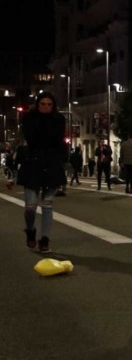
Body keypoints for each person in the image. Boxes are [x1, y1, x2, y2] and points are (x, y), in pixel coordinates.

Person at [8, 92, 68, 253]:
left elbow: (57, 140)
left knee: (47, 205)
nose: (46, 107)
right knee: (30, 206)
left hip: (52, 164)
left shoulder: (59, 119)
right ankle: (30, 230)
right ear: (38, 104)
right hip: (33, 164)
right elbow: (32, 138)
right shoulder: (29, 118)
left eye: (49, 104)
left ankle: (45, 239)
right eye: (43, 104)